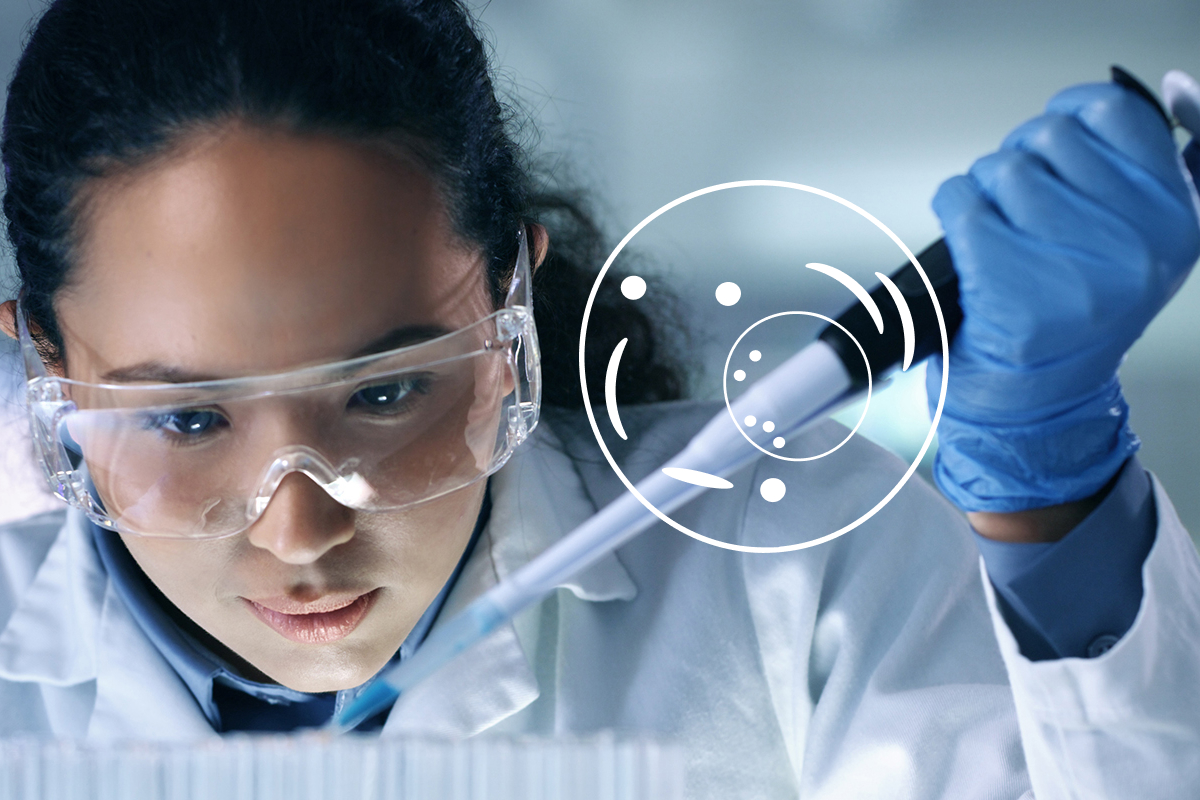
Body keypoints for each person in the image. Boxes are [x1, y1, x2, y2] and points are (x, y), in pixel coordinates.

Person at [0, 0, 1197, 797]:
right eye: (190, 418)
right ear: (43, 358)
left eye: (389, 391)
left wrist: (1058, 502)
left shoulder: (787, 555)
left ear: (509, 304)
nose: (302, 530)